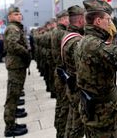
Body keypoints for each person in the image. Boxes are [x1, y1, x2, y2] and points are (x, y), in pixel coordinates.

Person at [75, 0, 117, 138]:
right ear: (98, 21)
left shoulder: (83, 40)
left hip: (91, 108)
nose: (110, 23)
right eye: (108, 19)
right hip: (103, 112)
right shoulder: (97, 46)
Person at [3, 7, 31, 137]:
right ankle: (9, 128)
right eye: (16, 14)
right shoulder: (13, 28)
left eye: (20, 14)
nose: (19, 16)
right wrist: (26, 52)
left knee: (15, 94)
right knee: (13, 97)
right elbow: (12, 45)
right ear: (9, 17)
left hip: (18, 65)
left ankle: (13, 122)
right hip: (16, 66)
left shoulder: (16, 28)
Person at [61, 5, 85, 138]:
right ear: (81, 20)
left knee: (71, 122)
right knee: (77, 127)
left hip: (71, 84)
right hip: (77, 88)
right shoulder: (76, 41)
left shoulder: (68, 35)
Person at [51, 9, 70, 138]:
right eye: (68, 18)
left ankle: (59, 128)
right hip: (63, 72)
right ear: (63, 19)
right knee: (64, 106)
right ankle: (62, 132)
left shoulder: (55, 31)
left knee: (60, 104)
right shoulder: (62, 33)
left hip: (58, 71)